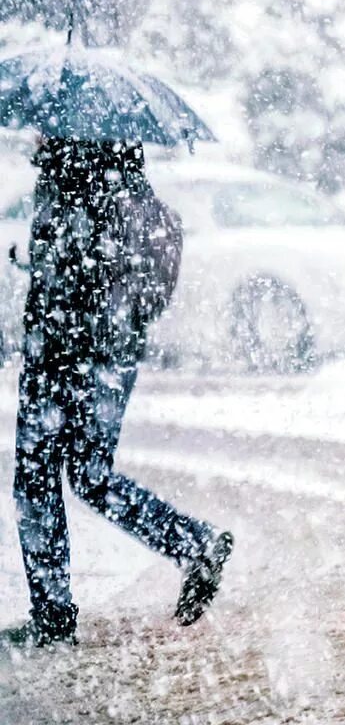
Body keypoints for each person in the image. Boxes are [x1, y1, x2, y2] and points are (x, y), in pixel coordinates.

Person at [3, 138, 234, 649]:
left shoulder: (73, 181)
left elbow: (76, 263)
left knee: (37, 480)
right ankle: (193, 543)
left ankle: (54, 619)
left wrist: (42, 253)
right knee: (89, 475)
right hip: (112, 353)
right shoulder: (132, 187)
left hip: (64, 351)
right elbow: (122, 278)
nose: (37, 140)